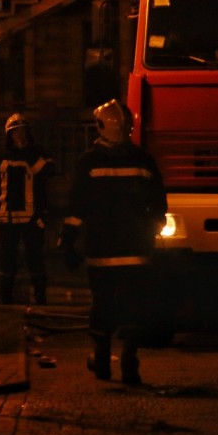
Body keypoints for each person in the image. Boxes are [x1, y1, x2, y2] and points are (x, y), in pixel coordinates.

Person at [58, 100, 167, 385]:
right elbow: (158, 206)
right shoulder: (144, 161)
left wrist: (67, 242)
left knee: (102, 304)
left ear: (101, 126)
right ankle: (130, 364)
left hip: (101, 251)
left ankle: (102, 360)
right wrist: (152, 233)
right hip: (136, 251)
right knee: (134, 306)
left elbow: (76, 207)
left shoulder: (89, 161)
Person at [0, 113, 56, 305]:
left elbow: (49, 173)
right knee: (7, 258)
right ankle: (4, 295)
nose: (19, 134)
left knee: (35, 257)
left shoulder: (37, 154)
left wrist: (32, 156)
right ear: (9, 135)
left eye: (22, 130)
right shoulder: (1, 159)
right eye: (15, 131)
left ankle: (40, 296)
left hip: (32, 218)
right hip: (6, 218)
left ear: (28, 132)